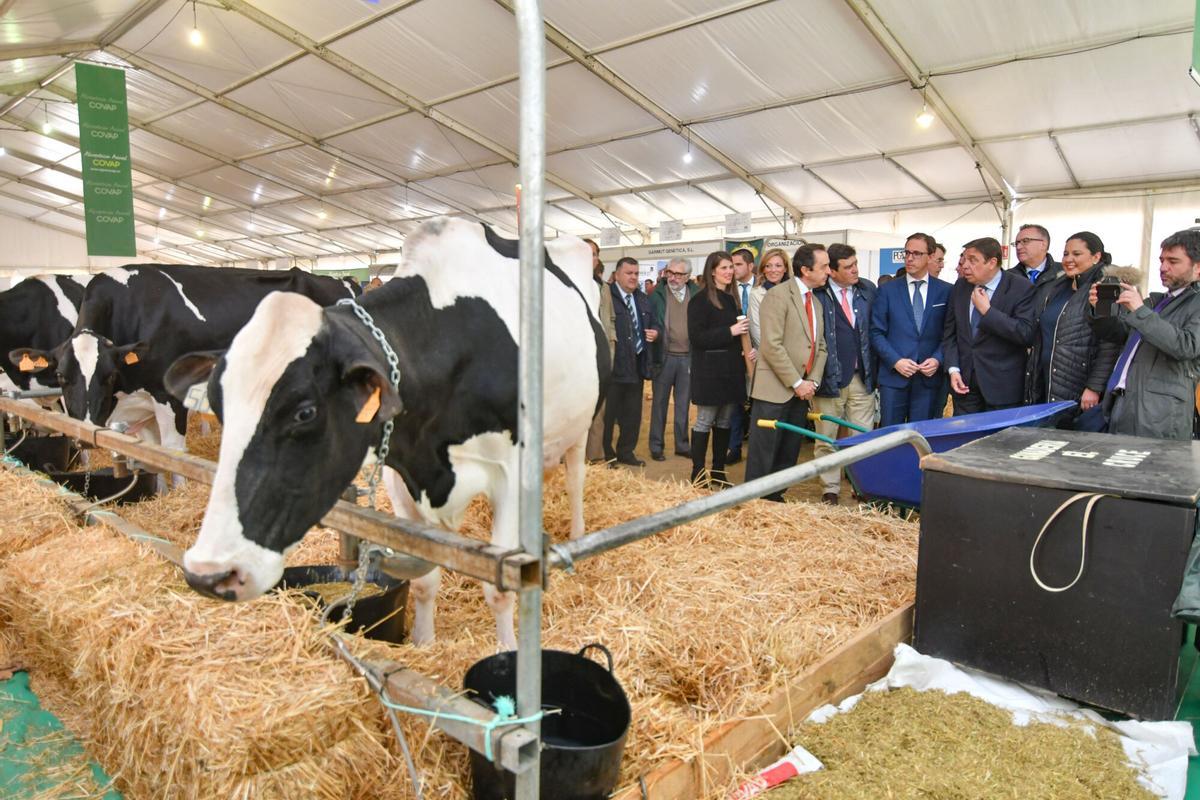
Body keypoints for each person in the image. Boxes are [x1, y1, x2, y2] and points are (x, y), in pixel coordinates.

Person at [1089, 228, 1200, 440]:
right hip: (1125, 404)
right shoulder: (1157, 301)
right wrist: (1099, 311)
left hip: (1160, 414)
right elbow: (1120, 336)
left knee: (1151, 472)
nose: (1163, 267)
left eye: (1173, 261)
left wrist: (1140, 311)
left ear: (1198, 267)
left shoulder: (1194, 302)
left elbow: (1186, 346)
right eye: (1161, 260)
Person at [744, 244, 829, 502]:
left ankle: (776, 497)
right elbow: (771, 345)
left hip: (801, 392)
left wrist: (812, 381)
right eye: (824, 266)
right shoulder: (778, 296)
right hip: (775, 390)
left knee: (789, 449)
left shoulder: (815, 301)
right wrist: (796, 382)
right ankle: (755, 504)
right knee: (764, 452)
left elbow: (820, 346)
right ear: (805, 269)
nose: (828, 271)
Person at [1024, 232, 1121, 420]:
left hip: (1081, 385)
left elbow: (1111, 341)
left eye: (1076, 254)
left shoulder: (1106, 286)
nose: (1068, 259)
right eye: (1065, 254)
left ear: (1096, 256)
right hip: (1047, 379)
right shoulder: (1058, 285)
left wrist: (1094, 387)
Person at [813, 243, 877, 504]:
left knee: (863, 437)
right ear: (832, 271)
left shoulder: (868, 290)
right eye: (848, 267)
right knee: (826, 437)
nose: (855, 271)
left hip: (863, 377)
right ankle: (830, 488)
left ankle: (861, 485)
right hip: (830, 379)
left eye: (856, 264)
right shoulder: (818, 295)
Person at [943, 237, 1036, 414]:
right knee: (966, 439)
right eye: (964, 259)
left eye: (973, 260)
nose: (965, 266)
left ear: (992, 262)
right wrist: (953, 369)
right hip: (965, 385)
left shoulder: (1020, 288)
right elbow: (950, 334)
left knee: (1000, 441)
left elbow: (1026, 334)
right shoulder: (961, 287)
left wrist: (988, 312)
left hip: (1002, 387)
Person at [869, 233, 952, 426]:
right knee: (890, 436)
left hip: (928, 379)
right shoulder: (887, 290)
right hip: (894, 378)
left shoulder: (946, 291)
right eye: (907, 253)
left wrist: (938, 359)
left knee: (921, 437)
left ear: (930, 256)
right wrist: (895, 360)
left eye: (916, 253)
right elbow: (876, 332)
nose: (909, 258)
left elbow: (950, 333)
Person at [687, 251, 749, 487]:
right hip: (709, 372)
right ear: (712, 271)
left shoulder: (732, 299)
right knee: (705, 420)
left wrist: (744, 348)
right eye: (724, 268)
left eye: (731, 267)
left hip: (730, 370)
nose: (729, 271)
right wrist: (730, 332)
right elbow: (697, 338)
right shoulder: (700, 300)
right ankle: (698, 473)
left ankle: (719, 472)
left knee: (725, 422)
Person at [603, 257, 660, 466]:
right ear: (617, 274)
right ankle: (606, 454)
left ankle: (626, 452)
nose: (634, 277)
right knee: (608, 416)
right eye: (629, 273)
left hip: (637, 364)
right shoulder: (607, 296)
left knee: (633, 414)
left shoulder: (643, 299)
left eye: (636, 273)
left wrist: (656, 332)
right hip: (614, 365)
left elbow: (654, 323)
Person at [649, 257, 699, 461]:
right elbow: (652, 321)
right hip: (664, 357)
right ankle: (656, 446)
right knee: (659, 403)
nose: (673, 277)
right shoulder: (657, 294)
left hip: (687, 358)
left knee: (683, 405)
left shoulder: (696, 294)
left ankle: (682, 445)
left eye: (679, 274)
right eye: (670, 272)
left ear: (687, 277)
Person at [584, 238, 616, 463]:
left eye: (594, 254)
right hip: (575, 357)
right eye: (586, 253)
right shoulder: (561, 283)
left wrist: (610, 349)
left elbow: (610, 320)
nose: (591, 258)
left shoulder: (604, 287)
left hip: (601, 356)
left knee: (599, 410)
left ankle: (595, 458)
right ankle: (566, 462)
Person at [726, 248, 757, 464]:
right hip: (734, 353)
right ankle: (733, 448)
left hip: (761, 355)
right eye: (730, 265)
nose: (732, 269)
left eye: (737, 264)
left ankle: (757, 448)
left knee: (759, 403)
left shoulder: (763, 288)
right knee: (735, 403)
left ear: (750, 266)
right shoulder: (727, 291)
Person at [747, 248, 791, 349]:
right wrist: (775, 354)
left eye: (778, 265)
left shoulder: (794, 291)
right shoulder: (756, 294)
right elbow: (756, 330)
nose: (773, 270)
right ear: (763, 269)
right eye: (768, 266)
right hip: (770, 353)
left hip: (794, 352)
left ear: (785, 269)